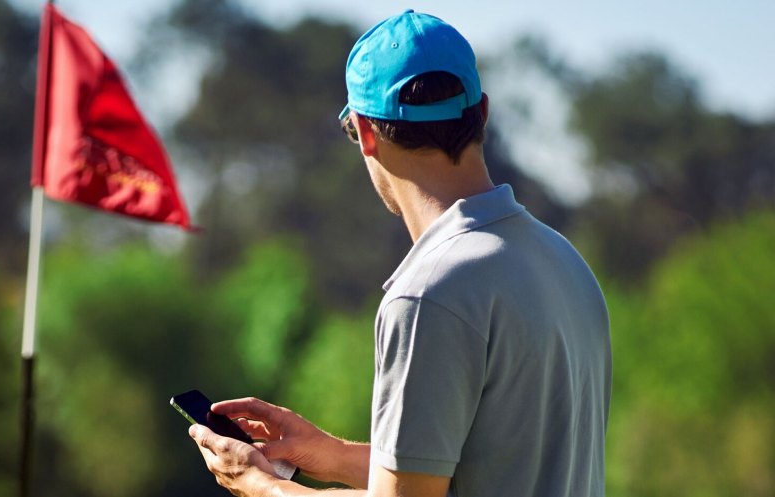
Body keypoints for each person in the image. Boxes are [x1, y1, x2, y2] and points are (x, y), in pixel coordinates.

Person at [189, 9, 611, 497]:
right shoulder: (564, 260)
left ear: (366, 132)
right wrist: (331, 455)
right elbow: (485, 468)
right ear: (482, 113)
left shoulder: (431, 292)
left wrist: (260, 485)